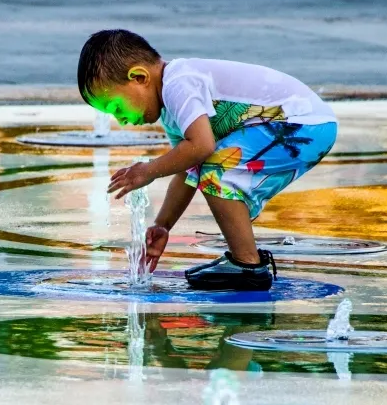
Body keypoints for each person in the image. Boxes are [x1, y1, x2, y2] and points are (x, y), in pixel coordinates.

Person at [77, 29, 337, 290]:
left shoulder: (179, 83)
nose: (121, 121)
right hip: (305, 124)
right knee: (210, 167)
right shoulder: (170, 104)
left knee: (216, 170)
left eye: (117, 108)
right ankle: (245, 260)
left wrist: (149, 171)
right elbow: (188, 166)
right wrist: (162, 225)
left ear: (139, 77)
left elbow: (201, 146)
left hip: (302, 123)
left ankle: (248, 265)